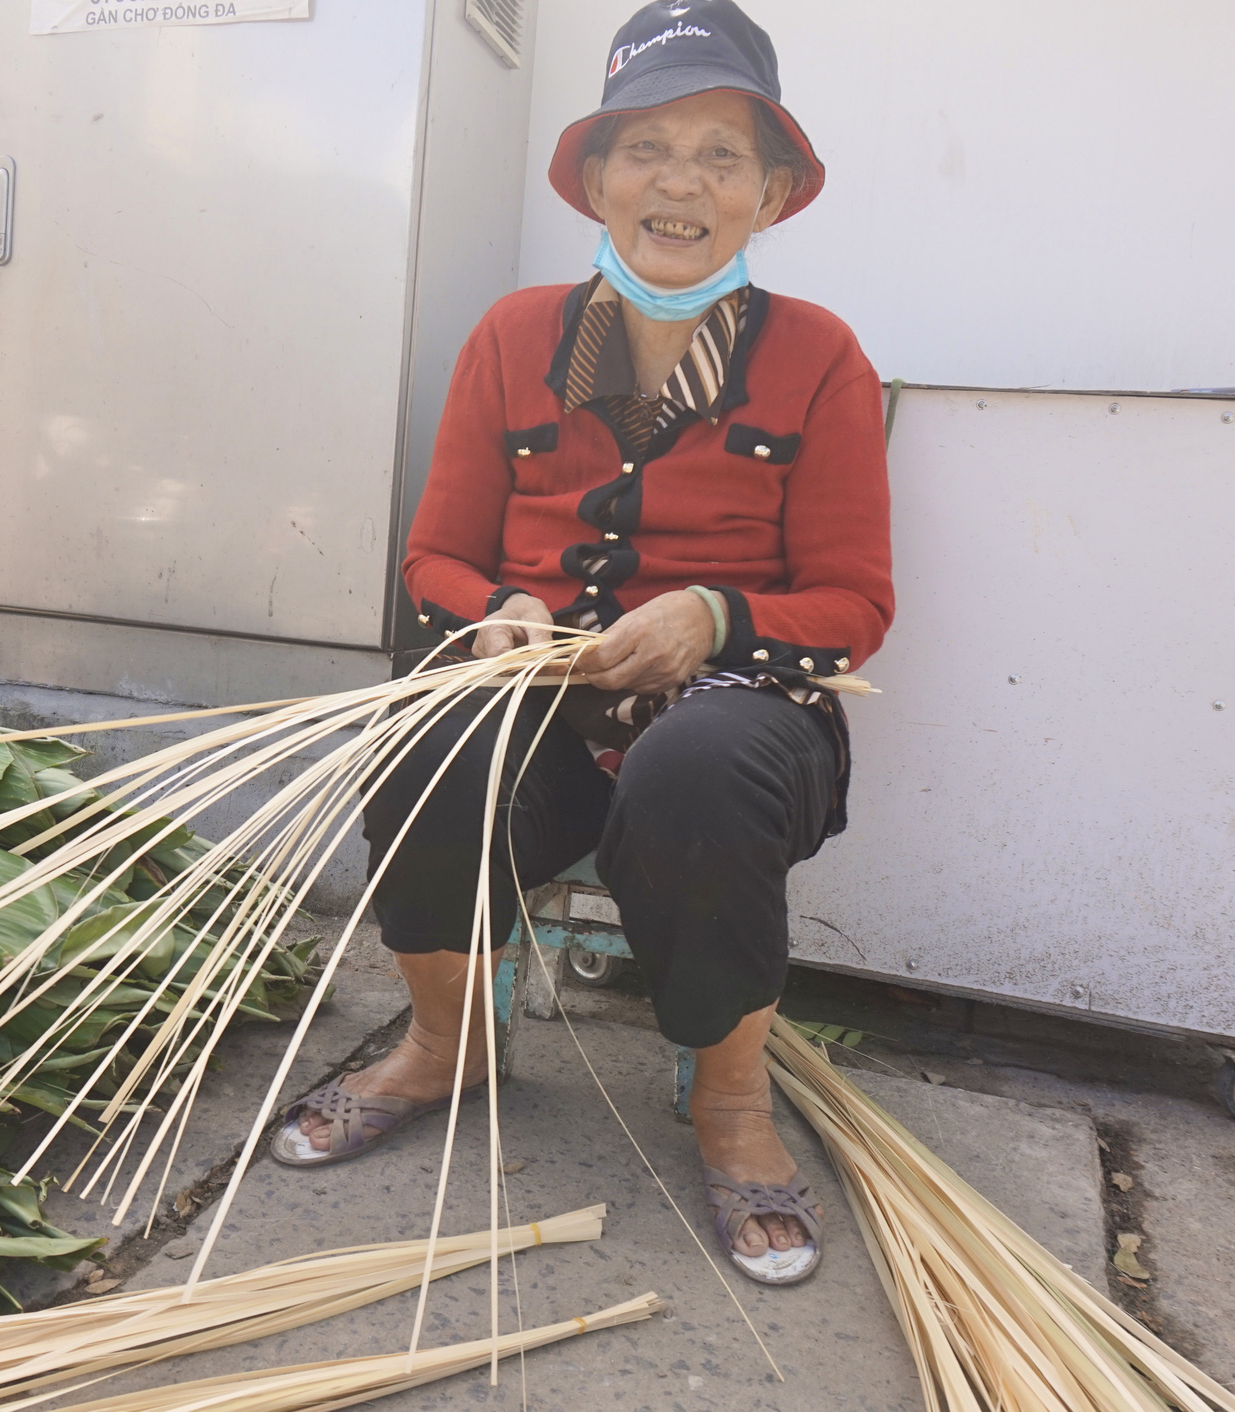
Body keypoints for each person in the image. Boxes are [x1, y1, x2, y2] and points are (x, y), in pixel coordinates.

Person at [270, 0, 893, 1287]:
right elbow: (430, 556)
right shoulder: (512, 336)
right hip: (536, 693)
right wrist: (498, 607)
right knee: (423, 730)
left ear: (769, 193)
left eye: (720, 155)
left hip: (741, 712)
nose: (680, 182)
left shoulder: (818, 357)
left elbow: (852, 603)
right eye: (646, 148)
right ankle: (449, 1041)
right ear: (596, 178)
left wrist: (714, 617)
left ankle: (726, 1100)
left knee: (696, 770)